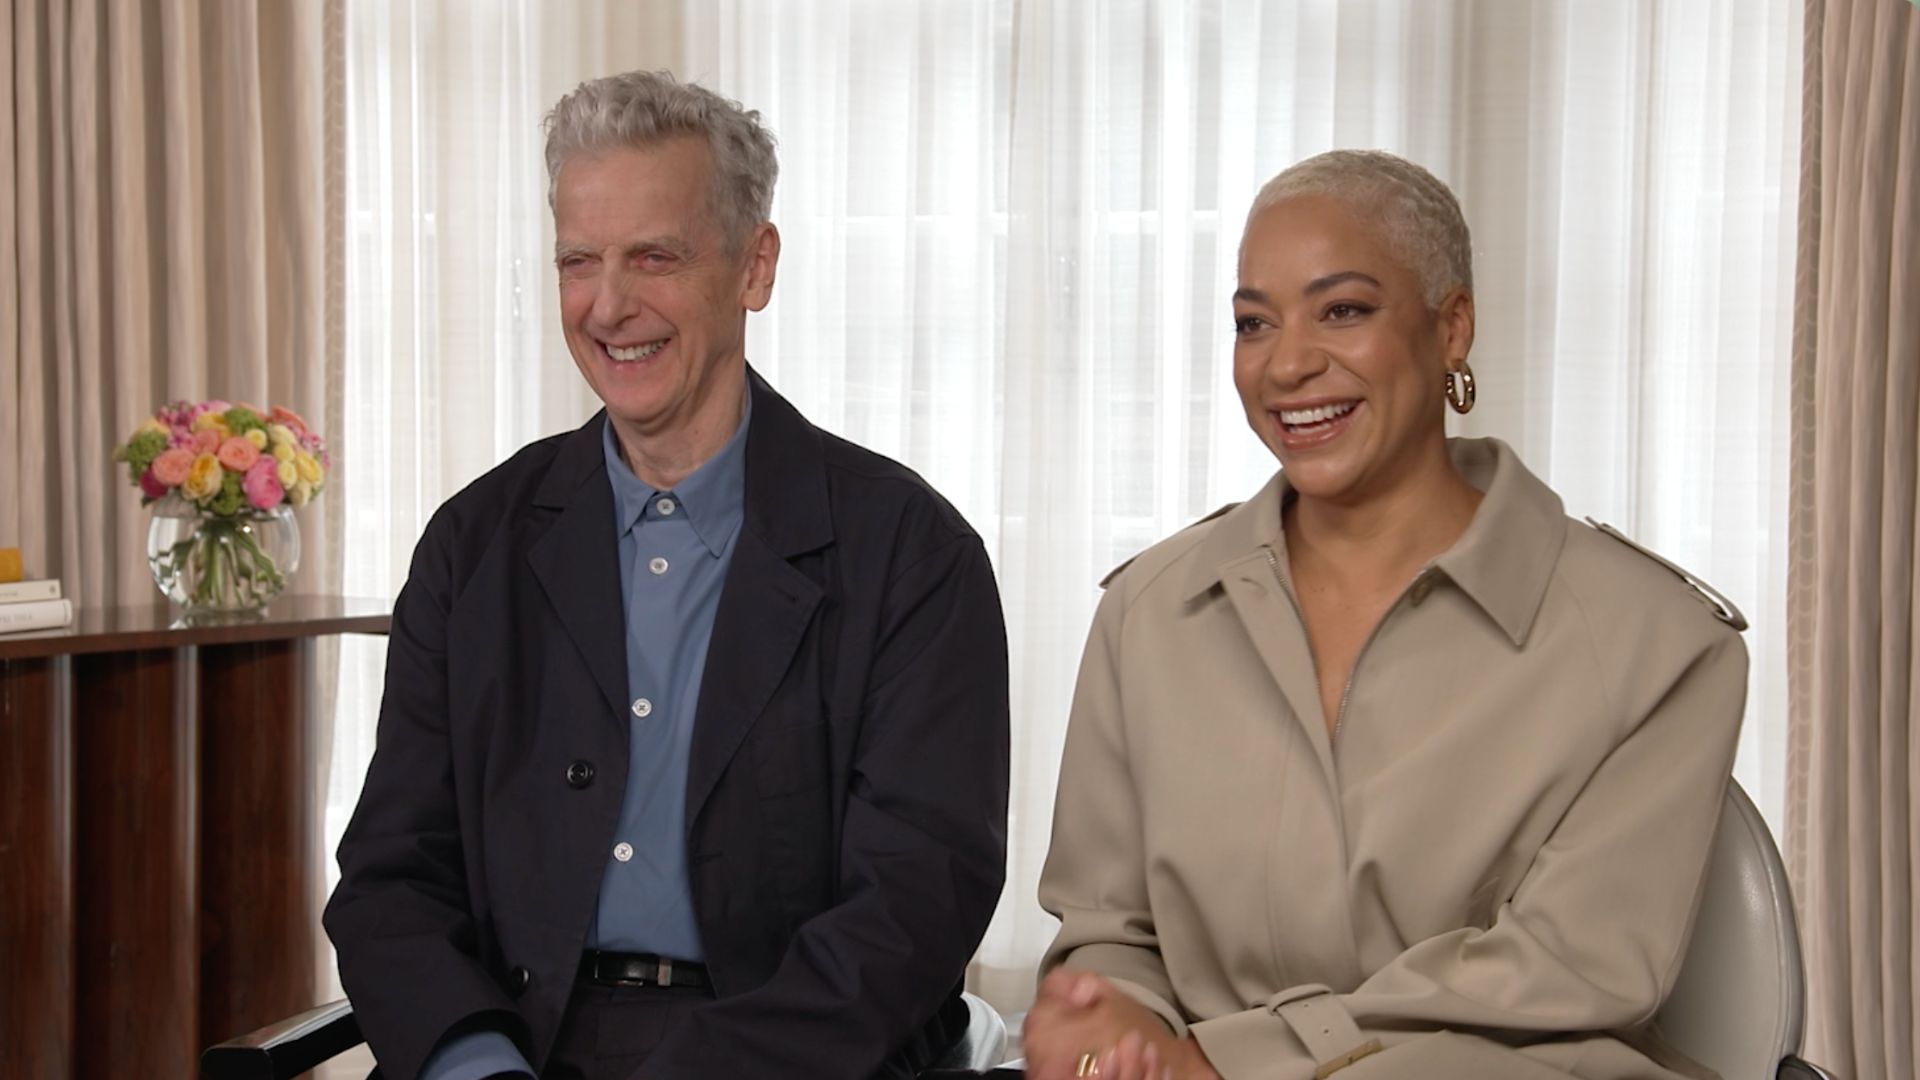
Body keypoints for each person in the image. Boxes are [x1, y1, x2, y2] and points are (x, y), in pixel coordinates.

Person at [324, 70, 1010, 1080]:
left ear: (753, 266)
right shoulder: (472, 545)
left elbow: (915, 903)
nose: (608, 306)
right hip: (512, 1050)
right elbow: (390, 879)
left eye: (654, 256)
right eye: (578, 260)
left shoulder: (913, 555)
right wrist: (472, 1062)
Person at [1022, 150, 1748, 1080]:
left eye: (1344, 310)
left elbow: (1567, 972)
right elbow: (1108, 932)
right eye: (1254, 323)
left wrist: (1226, 1060)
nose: (1287, 363)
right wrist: (1106, 1023)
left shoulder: (1663, 646)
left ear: (1453, 328)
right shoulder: (1148, 614)